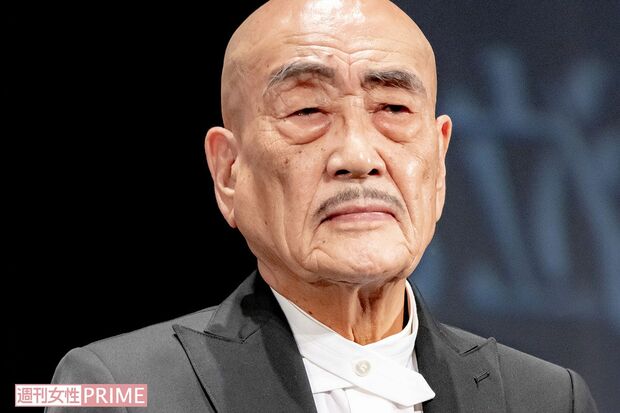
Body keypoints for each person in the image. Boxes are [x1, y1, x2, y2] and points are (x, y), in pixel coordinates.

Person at [47, 0, 598, 412]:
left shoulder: (547, 398)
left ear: (439, 160)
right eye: (308, 110)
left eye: (393, 108)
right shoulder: (114, 388)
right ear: (228, 171)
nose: (358, 156)